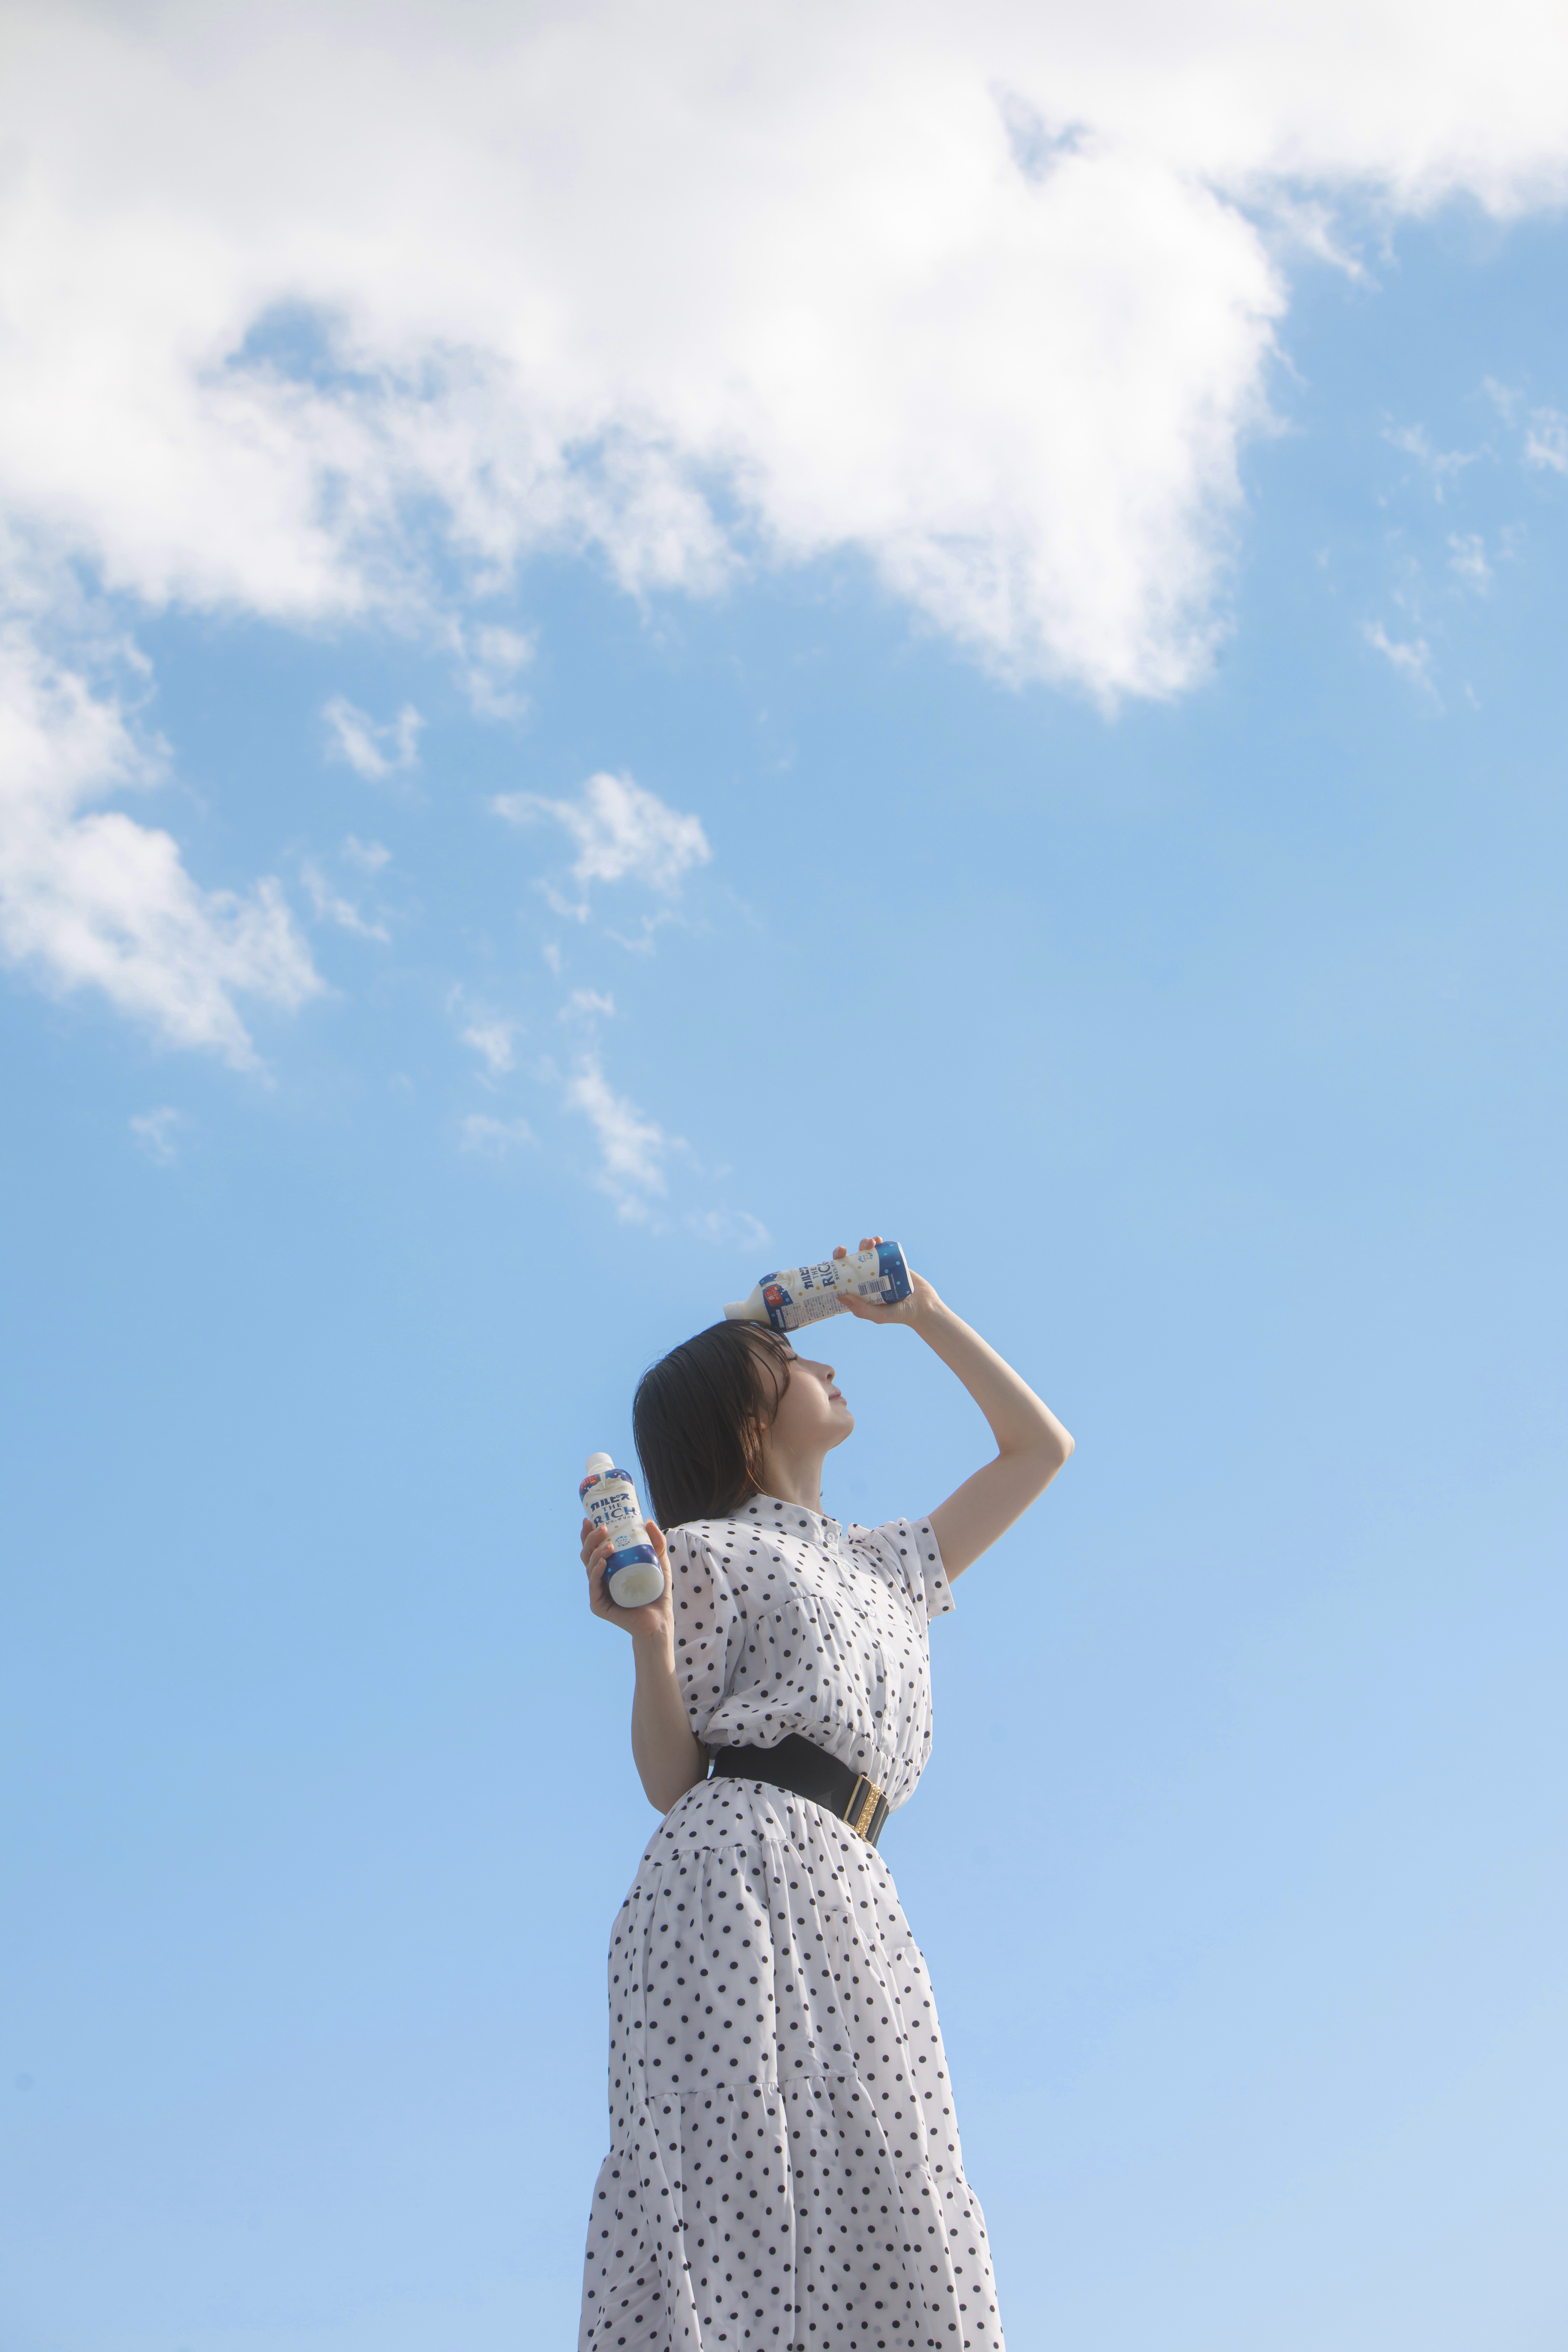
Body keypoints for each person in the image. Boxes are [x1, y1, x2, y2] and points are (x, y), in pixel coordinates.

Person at [578, 1239, 1073, 2351]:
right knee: (732, 2173)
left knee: (885, 2176)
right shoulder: (700, 1553)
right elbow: (672, 1780)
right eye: (791, 1364)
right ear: (747, 1421)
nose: (826, 1366)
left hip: (852, 1882)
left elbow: (1039, 1450)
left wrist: (926, 1313)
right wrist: (650, 1640)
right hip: (732, 1867)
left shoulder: (884, 1565)